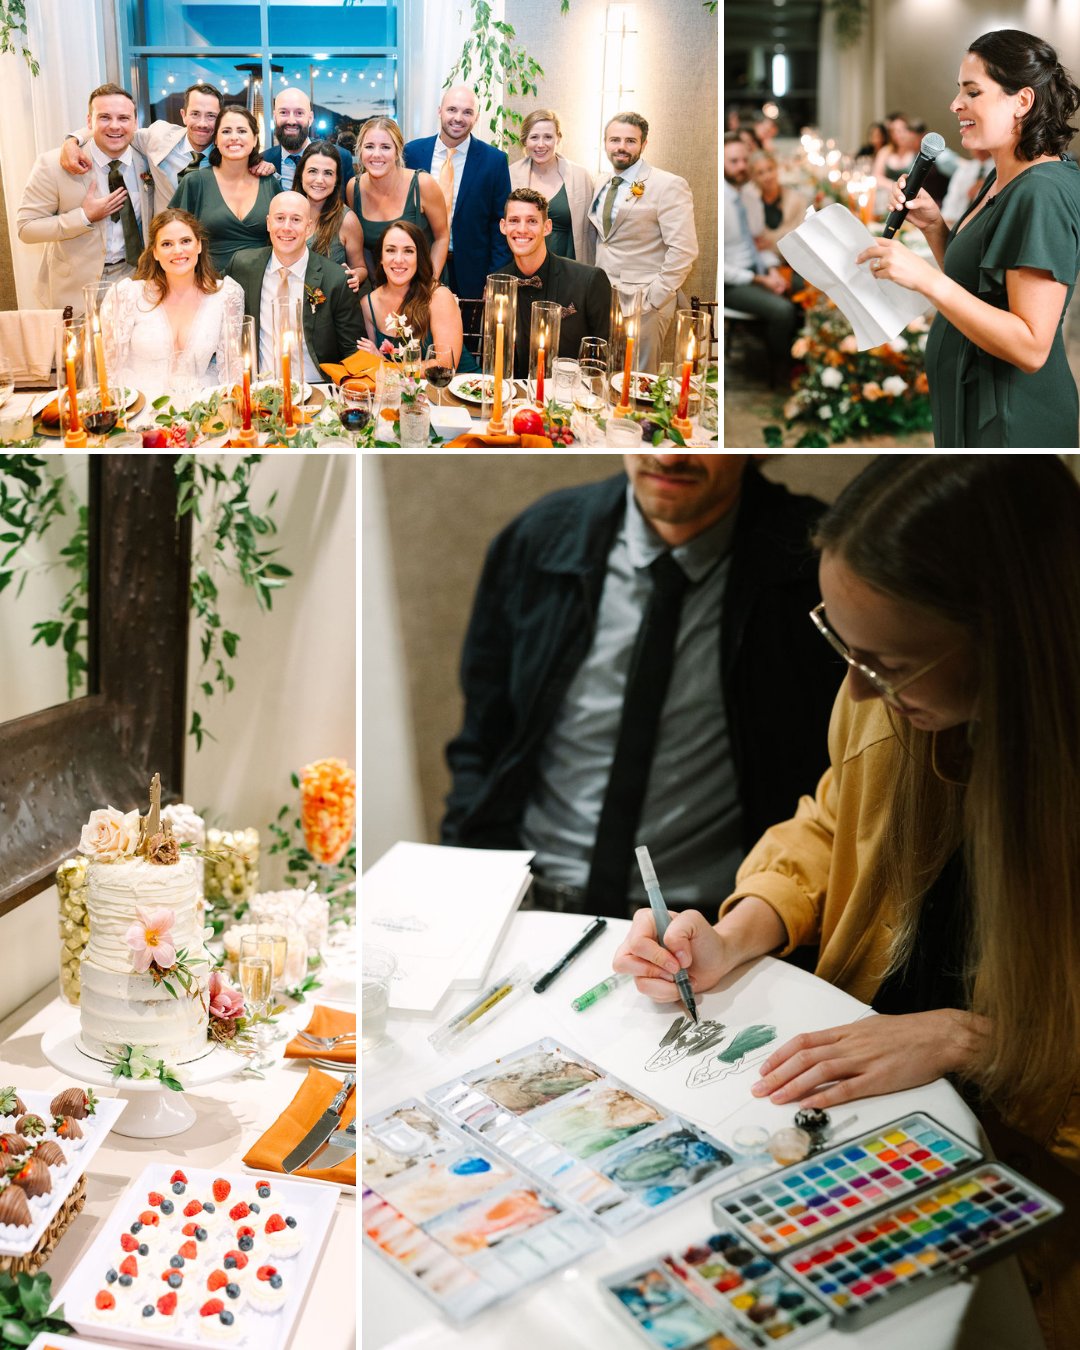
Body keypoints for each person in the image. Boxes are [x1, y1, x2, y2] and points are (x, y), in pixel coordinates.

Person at [612, 454, 1080, 1349]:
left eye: (887, 663)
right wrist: (741, 928)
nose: (859, 687)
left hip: (1030, 1201)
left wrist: (977, 1039)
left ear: (1012, 641)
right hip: (865, 1105)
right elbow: (835, 819)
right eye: (843, 645)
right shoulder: (886, 693)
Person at [442, 456, 841, 920]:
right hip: (534, 903)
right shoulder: (541, 538)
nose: (669, 455)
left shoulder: (814, 559)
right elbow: (482, 739)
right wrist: (469, 881)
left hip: (719, 923)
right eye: (651, 426)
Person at [858, 29, 1080, 447]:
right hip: (972, 401)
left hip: (1012, 416)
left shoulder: (1042, 192)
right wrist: (934, 227)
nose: (955, 104)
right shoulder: (1003, 176)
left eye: (972, 92)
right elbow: (979, 286)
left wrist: (927, 279)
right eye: (959, 90)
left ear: (1022, 101)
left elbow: (1032, 347)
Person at [17, 83, 153, 312]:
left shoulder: (148, 161)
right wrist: (83, 217)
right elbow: (26, 228)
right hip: (73, 288)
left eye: (123, 118)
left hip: (133, 281)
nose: (115, 126)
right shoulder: (53, 165)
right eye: (104, 117)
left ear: (135, 122)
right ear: (89, 122)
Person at [588, 112, 698, 370]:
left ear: (644, 144)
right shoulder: (602, 181)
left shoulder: (668, 185)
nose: (621, 147)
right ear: (605, 143)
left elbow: (684, 250)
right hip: (605, 297)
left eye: (630, 141)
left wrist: (656, 297)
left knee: (640, 380)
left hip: (645, 301)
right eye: (615, 140)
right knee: (606, 375)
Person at [56, 83, 275, 212]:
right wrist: (73, 141)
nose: (202, 123)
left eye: (211, 116)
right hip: (167, 249)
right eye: (195, 114)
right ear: (183, 115)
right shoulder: (158, 137)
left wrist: (262, 165)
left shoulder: (228, 157)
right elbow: (118, 129)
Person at [98, 208, 243, 389]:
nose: (178, 250)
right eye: (167, 244)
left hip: (200, 400)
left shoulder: (226, 295)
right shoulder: (126, 296)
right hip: (141, 402)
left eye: (186, 241)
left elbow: (232, 371)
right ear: (155, 252)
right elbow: (110, 373)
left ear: (199, 245)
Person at [226, 191, 364, 379]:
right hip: (260, 388)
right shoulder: (243, 266)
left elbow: (353, 352)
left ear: (309, 228)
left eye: (296, 220)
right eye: (280, 218)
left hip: (316, 387)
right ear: (268, 223)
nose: (286, 227)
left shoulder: (335, 280)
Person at [403, 85, 512, 300]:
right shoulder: (412, 153)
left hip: (473, 275)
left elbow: (500, 226)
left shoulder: (494, 161)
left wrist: (495, 280)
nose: (458, 118)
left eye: (467, 112)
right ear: (439, 111)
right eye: (452, 109)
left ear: (476, 117)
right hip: (417, 268)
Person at [499, 188, 611, 379]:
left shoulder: (588, 280)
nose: (522, 229)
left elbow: (607, 359)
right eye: (514, 220)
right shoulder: (499, 282)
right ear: (503, 227)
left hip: (573, 392)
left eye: (532, 221)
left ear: (547, 227)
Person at [723, 135, 800, 384]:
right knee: (783, 310)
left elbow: (758, 244)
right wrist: (759, 279)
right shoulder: (719, 202)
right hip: (731, 283)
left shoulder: (750, 198)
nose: (741, 166)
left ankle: (803, 356)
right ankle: (782, 370)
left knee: (804, 287)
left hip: (758, 270)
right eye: (733, 161)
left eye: (744, 160)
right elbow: (719, 268)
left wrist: (773, 269)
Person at [170, 106, 282, 272]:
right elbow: (173, 237)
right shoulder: (194, 182)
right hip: (209, 281)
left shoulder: (269, 182)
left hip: (262, 280)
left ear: (254, 139)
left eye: (242, 131)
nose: (234, 137)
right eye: (226, 131)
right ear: (216, 139)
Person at [356, 220, 473, 372]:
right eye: (390, 250)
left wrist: (386, 365)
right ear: (381, 258)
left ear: (419, 258)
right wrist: (380, 364)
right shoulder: (368, 304)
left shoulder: (438, 296)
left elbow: (445, 366)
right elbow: (373, 369)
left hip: (461, 383)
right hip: (401, 387)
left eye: (408, 251)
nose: (399, 260)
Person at [346, 117, 448, 282]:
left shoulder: (423, 184)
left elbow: (442, 238)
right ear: (360, 151)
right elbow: (362, 246)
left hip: (426, 282)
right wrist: (377, 288)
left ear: (397, 151)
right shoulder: (354, 188)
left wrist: (430, 284)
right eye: (369, 146)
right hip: (383, 286)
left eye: (385, 147)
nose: (376, 154)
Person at [509, 109, 595, 261]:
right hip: (523, 265)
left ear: (558, 139)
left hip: (568, 266)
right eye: (534, 137)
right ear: (525, 141)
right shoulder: (510, 175)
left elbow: (591, 232)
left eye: (548, 137)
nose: (541, 144)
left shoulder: (580, 177)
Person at [294, 139, 366, 288]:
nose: (319, 180)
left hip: (329, 300)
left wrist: (355, 276)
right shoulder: (287, 209)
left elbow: (360, 267)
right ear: (301, 174)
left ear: (336, 180)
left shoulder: (346, 220)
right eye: (312, 171)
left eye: (328, 173)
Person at [259, 87, 354, 198]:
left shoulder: (341, 158)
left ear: (310, 118)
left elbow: (348, 204)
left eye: (299, 113)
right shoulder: (263, 161)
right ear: (275, 117)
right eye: (283, 112)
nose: (291, 121)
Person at [740, 151, 809, 258]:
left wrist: (771, 243)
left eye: (770, 169)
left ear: (777, 168)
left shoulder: (796, 199)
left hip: (792, 258)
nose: (767, 176)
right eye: (760, 173)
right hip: (763, 259)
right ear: (753, 177)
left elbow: (801, 233)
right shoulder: (749, 201)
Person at [939, 147, 994, 227]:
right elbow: (951, 202)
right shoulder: (964, 170)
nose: (978, 149)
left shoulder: (998, 172)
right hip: (957, 223)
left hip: (982, 224)